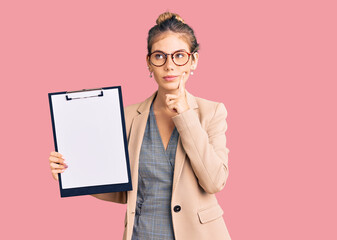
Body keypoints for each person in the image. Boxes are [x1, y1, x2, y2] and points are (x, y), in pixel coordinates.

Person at [48, 11, 231, 240]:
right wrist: (71, 174)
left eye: (179, 56)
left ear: (193, 61)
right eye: (159, 56)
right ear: (149, 63)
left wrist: (185, 116)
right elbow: (122, 191)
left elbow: (214, 181)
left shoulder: (211, 112)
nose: (169, 65)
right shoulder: (129, 116)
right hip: (143, 233)